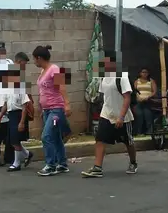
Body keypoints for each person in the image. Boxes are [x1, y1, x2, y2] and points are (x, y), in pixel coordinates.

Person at [82, 50, 138, 178]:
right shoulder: (104, 77)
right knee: (100, 139)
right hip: (107, 113)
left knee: (128, 141)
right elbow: (105, 96)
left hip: (122, 116)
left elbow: (127, 98)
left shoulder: (121, 77)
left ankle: (133, 162)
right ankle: (97, 167)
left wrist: (121, 117)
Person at [33, 45, 72, 176]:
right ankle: (62, 164)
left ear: (39, 58)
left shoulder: (54, 69)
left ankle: (50, 165)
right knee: (55, 137)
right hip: (47, 110)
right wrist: (41, 108)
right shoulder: (43, 71)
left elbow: (62, 86)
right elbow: (43, 91)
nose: (34, 62)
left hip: (56, 110)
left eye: (34, 59)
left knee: (46, 136)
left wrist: (67, 104)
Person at [0, 69, 33, 172]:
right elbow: (5, 105)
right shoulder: (7, 91)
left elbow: (24, 107)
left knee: (15, 140)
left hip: (19, 115)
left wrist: (22, 122)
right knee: (12, 140)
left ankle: (17, 163)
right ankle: (27, 154)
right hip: (11, 115)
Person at [133, 68, 156, 135]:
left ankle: (150, 132)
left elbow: (154, 91)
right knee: (139, 117)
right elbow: (134, 91)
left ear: (148, 73)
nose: (144, 73)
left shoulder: (151, 81)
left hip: (148, 102)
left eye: (146, 72)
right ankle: (139, 132)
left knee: (148, 116)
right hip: (139, 102)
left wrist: (148, 97)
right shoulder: (137, 81)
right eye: (143, 72)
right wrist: (138, 97)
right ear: (140, 73)